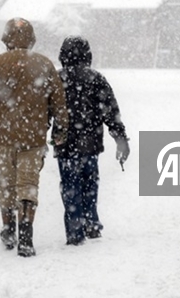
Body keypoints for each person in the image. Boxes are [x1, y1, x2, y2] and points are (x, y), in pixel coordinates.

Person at [0, 18, 68, 257]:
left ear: (6, 38)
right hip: (33, 136)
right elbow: (59, 102)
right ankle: (26, 236)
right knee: (28, 184)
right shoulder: (44, 64)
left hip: (3, 137)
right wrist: (60, 129)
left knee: (7, 181)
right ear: (32, 38)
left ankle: (8, 229)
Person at [55, 36, 129, 245]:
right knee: (89, 183)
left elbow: (45, 113)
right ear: (87, 55)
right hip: (90, 144)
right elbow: (111, 112)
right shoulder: (96, 79)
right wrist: (120, 138)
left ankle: (74, 230)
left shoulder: (56, 79)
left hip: (65, 144)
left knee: (70, 186)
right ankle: (91, 223)